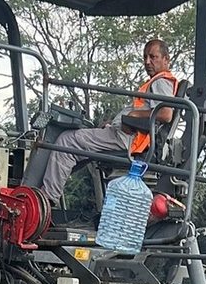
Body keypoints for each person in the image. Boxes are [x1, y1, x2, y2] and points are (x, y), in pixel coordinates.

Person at [35, 37, 180, 210]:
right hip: (126, 134)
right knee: (77, 148)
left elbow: (165, 114)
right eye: (145, 57)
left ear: (166, 59)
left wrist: (132, 115)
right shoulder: (158, 81)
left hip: (129, 138)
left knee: (67, 140)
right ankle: (50, 196)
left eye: (153, 57)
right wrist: (114, 122)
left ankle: (45, 201)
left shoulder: (161, 81)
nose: (147, 62)